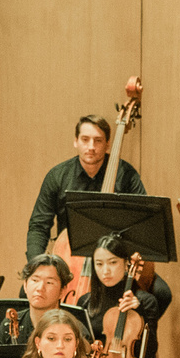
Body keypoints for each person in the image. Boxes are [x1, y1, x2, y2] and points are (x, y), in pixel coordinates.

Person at [24, 112, 144, 269]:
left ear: (108, 144)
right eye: (85, 140)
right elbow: (38, 226)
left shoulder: (126, 175)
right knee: (28, 290)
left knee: (162, 293)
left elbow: (142, 224)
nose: (91, 147)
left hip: (115, 262)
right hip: (70, 261)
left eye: (98, 141)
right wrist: (37, 265)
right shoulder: (58, 176)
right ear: (76, 142)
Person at [76, 234, 171, 358]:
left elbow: (149, 353)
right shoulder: (86, 301)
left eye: (113, 262)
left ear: (127, 264)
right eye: (99, 264)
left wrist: (140, 314)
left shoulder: (145, 301)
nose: (105, 271)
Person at [0, 254, 72, 345]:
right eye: (35, 280)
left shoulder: (72, 329)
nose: (40, 288)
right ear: (25, 285)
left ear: (62, 291)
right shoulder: (8, 324)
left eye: (49, 282)